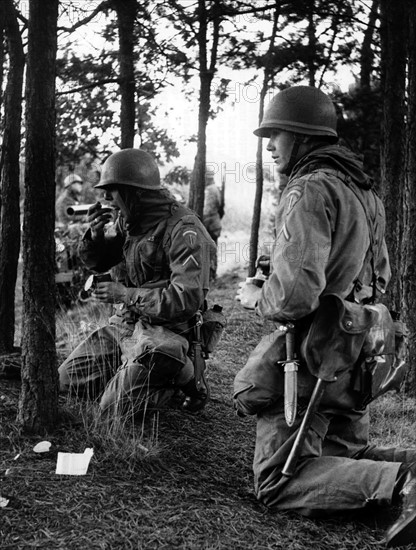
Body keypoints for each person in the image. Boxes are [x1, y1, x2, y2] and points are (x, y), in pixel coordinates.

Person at [233, 85, 416, 547]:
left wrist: (257, 296)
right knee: (345, 451)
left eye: (276, 133)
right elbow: (378, 275)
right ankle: (409, 466)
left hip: (313, 358)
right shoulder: (362, 190)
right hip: (356, 351)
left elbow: (293, 296)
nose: (269, 144)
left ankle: (403, 486)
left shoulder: (310, 186)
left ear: (302, 136)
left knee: (276, 482)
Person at [59, 148, 216, 418]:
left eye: (113, 190)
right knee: (67, 381)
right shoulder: (130, 221)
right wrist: (95, 235)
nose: (106, 197)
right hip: (126, 325)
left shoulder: (185, 230)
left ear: (137, 192)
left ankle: (184, 377)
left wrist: (125, 294)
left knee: (112, 410)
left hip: (165, 332)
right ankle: (130, 370)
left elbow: (185, 301)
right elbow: (100, 262)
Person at [203, 169, 224, 280]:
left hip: (210, 225)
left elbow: (208, 210)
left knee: (209, 250)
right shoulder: (214, 189)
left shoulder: (210, 190)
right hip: (213, 224)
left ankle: (211, 276)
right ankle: (211, 275)